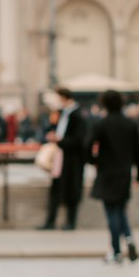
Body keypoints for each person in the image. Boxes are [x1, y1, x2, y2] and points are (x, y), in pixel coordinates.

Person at [91, 88, 139, 264]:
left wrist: (94, 160)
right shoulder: (130, 124)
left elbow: (87, 144)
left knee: (111, 212)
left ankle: (115, 250)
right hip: (124, 172)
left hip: (106, 172)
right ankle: (129, 239)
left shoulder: (102, 124)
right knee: (121, 209)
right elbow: (138, 152)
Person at [40, 87, 88, 230]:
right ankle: (51, 220)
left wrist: (59, 140)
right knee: (56, 188)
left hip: (72, 159)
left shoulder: (77, 115)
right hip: (60, 156)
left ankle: (70, 221)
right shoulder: (61, 114)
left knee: (71, 189)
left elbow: (79, 139)